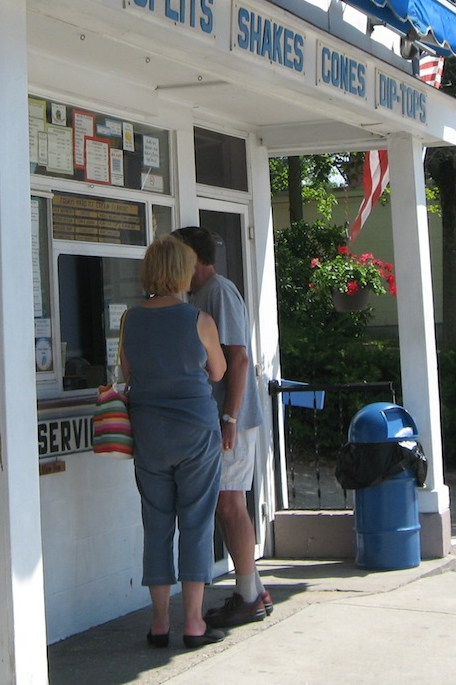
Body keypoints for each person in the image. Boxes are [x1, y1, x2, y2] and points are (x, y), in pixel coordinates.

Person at [120, 235, 228, 649]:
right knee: (196, 524)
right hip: (197, 433)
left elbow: (129, 373)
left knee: (157, 524)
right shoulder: (199, 320)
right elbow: (217, 372)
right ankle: (194, 623)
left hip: (148, 433)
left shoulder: (131, 319)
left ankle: (160, 622)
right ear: (182, 273)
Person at [171, 226, 271, 627]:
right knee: (228, 506)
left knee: (230, 506)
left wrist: (229, 418)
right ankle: (254, 589)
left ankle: (247, 595)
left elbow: (239, 359)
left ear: (193, 258)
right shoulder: (202, 296)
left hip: (233, 421)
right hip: (225, 421)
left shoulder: (219, 293)